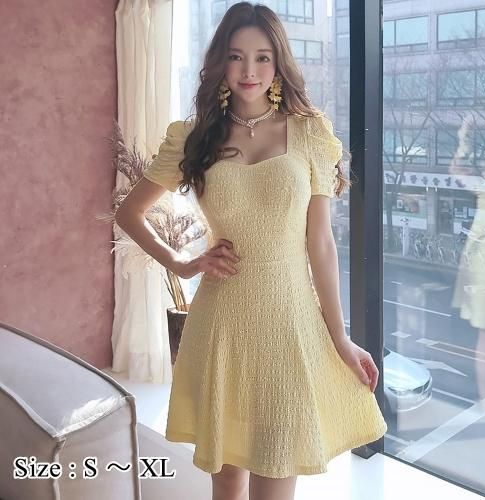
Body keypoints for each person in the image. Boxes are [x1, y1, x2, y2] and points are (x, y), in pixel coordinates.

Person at [115, 3, 387, 500]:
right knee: (227, 483)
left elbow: (321, 244)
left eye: (262, 57)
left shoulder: (309, 132)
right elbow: (129, 213)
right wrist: (182, 263)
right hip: (221, 326)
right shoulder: (193, 138)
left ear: (278, 63)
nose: (249, 70)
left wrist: (340, 338)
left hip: (289, 325)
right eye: (236, 56)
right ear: (220, 61)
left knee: (276, 473)